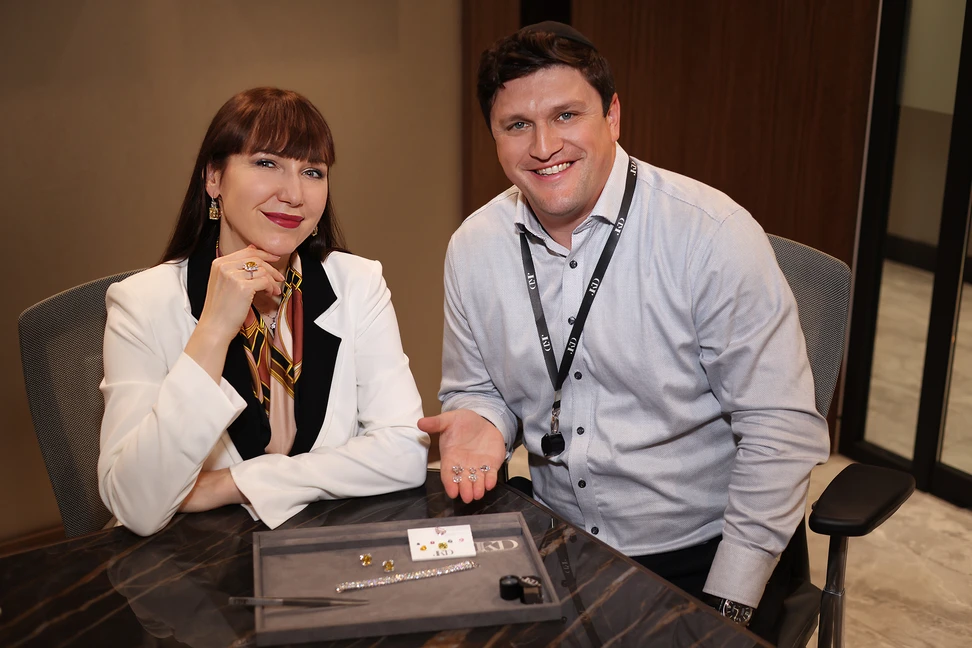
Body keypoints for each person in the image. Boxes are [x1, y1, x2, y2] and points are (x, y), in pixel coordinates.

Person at [418, 22, 829, 637]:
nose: (544, 145)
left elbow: (780, 431)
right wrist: (484, 422)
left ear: (612, 116)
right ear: (495, 139)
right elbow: (477, 389)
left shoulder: (710, 234)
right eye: (517, 125)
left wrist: (728, 604)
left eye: (566, 115)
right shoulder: (474, 248)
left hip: (704, 552)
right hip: (561, 540)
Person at [99, 87, 429, 536]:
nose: (294, 193)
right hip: (204, 575)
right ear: (213, 178)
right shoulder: (142, 303)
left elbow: (406, 454)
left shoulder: (358, 283)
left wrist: (232, 483)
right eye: (267, 163)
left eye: (312, 172)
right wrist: (213, 330)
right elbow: (137, 505)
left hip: (326, 553)